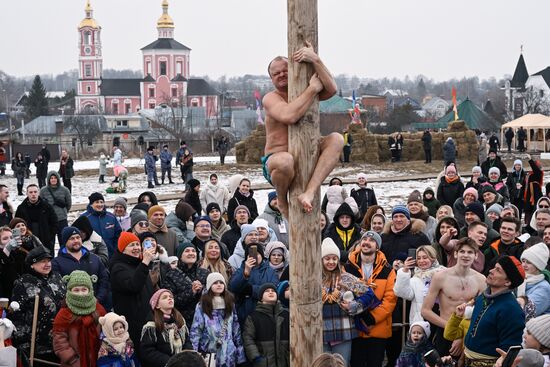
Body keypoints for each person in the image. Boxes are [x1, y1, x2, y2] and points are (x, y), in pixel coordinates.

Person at [262, 44, 342, 218]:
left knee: (337, 139)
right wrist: (312, 89)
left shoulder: (302, 90)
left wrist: (315, 59)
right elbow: (289, 116)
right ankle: (282, 200)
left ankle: (310, 192)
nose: (281, 75)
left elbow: (332, 89)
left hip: (308, 152)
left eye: (285, 70)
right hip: (278, 161)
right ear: (271, 79)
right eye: (276, 73)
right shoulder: (270, 98)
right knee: (285, 160)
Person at [421, 238, 486, 357]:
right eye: (462, 251)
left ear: (476, 256)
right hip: (445, 331)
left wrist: (462, 334)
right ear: (455, 254)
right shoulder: (440, 277)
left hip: (469, 333)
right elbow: (425, 310)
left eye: (470, 252)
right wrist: (452, 328)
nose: (465, 255)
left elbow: (482, 312)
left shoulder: (481, 280)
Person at [318, 238, 379, 366]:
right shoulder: (314, 278)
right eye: (327, 258)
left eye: (334, 259)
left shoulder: (345, 277)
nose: (331, 262)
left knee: (342, 364)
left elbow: (369, 294)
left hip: (343, 330)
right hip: (320, 332)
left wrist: (355, 306)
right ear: (321, 260)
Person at [344, 231, 397, 367]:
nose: (366, 242)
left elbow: (390, 299)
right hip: (355, 328)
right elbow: (343, 293)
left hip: (378, 327)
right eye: (364, 239)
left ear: (377, 247)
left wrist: (372, 318)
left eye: (371, 240)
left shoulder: (388, 270)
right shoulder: (347, 267)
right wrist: (358, 312)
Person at [463, 256, 526, 365]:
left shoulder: (511, 309)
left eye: (498, 270)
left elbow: (510, 347)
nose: (491, 271)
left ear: (507, 282)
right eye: (494, 268)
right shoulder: (482, 297)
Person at [10, 246, 66, 366]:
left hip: (60, 341)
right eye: (42, 261)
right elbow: (17, 317)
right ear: (32, 265)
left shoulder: (57, 278)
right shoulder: (23, 283)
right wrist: (24, 344)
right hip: (37, 346)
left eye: (48, 260)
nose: (47, 264)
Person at [110, 232, 156, 358]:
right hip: (133, 323)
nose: (136, 247)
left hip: (147, 319)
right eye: (131, 245)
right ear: (123, 249)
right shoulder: (118, 268)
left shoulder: (139, 265)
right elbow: (133, 286)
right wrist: (145, 262)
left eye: (137, 244)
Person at [190, 272, 246, 367]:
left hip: (229, 352)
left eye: (221, 282)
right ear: (209, 285)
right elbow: (196, 330)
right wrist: (194, 354)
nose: (219, 285)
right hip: (210, 351)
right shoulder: (202, 305)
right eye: (215, 283)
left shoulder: (230, 303)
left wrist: (240, 354)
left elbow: (236, 329)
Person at [52, 270, 106, 367]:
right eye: (76, 290)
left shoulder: (98, 309)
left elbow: (106, 332)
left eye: (84, 289)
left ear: (90, 290)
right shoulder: (64, 312)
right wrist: (72, 360)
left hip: (97, 359)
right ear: (70, 290)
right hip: (74, 363)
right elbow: (60, 341)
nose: (81, 293)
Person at [52, 226, 110, 307]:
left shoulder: (95, 258)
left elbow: (104, 280)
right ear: (65, 241)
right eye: (72, 238)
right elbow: (57, 286)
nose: (76, 241)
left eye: (78, 237)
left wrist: (98, 299)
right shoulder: (57, 262)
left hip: (95, 305)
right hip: (70, 308)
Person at [229, 241, 279, 324]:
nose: (255, 257)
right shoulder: (241, 269)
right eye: (251, 255)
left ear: (262, 256)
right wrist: (246, 273)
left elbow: (274, 288)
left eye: (258, 254)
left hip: (265, 312)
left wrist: (251, 289)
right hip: (243, 312)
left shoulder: (270, 271)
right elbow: (233, 287)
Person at [393, 245, 445, 323]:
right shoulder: (415, 279)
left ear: (433, 258)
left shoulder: (444, 273)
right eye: (418, 258)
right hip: (420, 322)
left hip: (441, 318)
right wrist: (404, 270)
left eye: (425, 257)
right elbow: (401, 292)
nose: (421, 261)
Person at [243, 283, 290, 367]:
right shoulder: (254, 317)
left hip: (285, 361)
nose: (271, 292)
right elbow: (248, 339)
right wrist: (255, 357)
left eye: (273, 291)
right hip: (264, 363)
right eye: (267, 291)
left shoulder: (287, 314)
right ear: (261, 297)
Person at [140, 289, 191, 367]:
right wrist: (170, 362)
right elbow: (148, 351)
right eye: (165, 297)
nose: (170, 298)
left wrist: (188, 355)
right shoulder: (151, 326)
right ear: (157, 305)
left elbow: (187, 340)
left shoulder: (180, 320)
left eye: (171, 297)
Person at [164, 243, 210, 327]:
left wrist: (201, 289)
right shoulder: (171, 275)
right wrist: (191, 292)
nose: (191, 253)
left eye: (193, 251)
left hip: (204, 320)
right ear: (180, 256)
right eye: (187, 251)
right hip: (182, 321)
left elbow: (212, 295)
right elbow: (171, 301)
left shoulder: (204, 273)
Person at [15, 183, 58, 252]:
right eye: (31, 192)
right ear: (27, 194)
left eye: (35, 192)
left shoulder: (47, 206)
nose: (33, 194)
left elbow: (54, 222)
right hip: (27, 242)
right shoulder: (21, 208)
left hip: (45, 240)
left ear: (38, 193)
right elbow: (15, 224)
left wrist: (50, 236)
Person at [80, 192, 122, 256]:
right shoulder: (84, 218)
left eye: (101, 202)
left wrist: (115, 249)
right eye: (97, 202)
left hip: (111, 254)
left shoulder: (111, 217)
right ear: (91, 204)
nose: (100, 204)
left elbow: (118, 234)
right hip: (93, 256)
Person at [40, 171, 72, 246]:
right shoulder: (43, 191)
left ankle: (64, 256)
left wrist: (63, 212)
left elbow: (68, 204)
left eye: (55, 178)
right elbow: (41, 205)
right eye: (51, 178)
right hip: (49, 220)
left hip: (62, 220)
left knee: (64, 241)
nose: (53, 180)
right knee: (50, 242)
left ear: (58, 179)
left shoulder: (65, 190)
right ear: (48, 179)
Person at [518, 242, 550, 316]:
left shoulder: (544, 288)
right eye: (523, 261)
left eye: (529, 262)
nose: (524, 265)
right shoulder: (520, 279)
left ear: (538, 266)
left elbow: (526, 313)